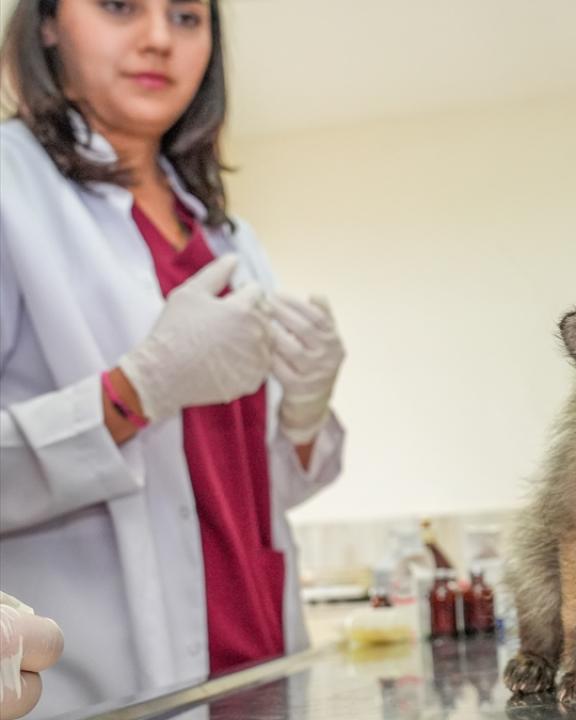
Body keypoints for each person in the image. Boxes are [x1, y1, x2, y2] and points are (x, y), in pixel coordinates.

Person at [0, 0, 345, 716]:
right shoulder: (11, 190)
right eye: (121, 6)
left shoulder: (227, 236)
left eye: (187, 17)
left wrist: (304, 417)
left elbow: (245, 491)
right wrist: (136, 391)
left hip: (257, 666)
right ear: (47, 23)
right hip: (94, 686)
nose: (159, 39)